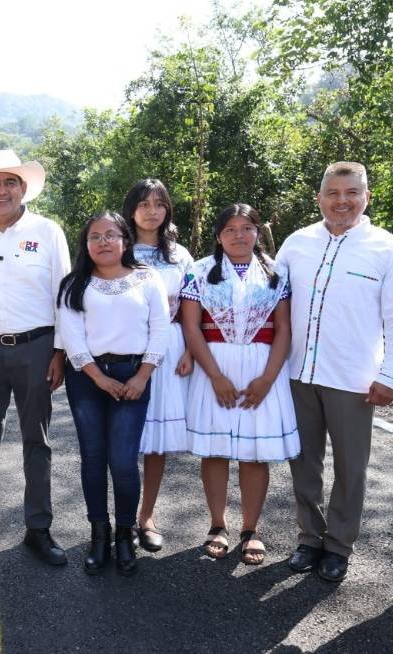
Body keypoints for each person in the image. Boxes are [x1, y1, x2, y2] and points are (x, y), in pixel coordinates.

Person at [277, 162, 393, 582]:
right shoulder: (296, 243)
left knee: (351, 467)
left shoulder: (385, 247)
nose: (342, 201)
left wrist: (390, 375)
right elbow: (272, 302)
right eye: (333, 193)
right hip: (299, 373)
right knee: (303, 462)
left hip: (354, 379)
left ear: (367, 197)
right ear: (319, 197)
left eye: (351, 193)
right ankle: (309, 537)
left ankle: (339, 546)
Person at [0, 149, 71, 564]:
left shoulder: (47, 230)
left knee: (36, 440)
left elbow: (64, 293)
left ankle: (38, 528)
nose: (1, 190)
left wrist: (61, 350)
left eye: (10, 182)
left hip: (37, 347)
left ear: (23, 188)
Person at [181, 204, 300, 566]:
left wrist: (267, 379)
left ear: (257, 232)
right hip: (214, 365)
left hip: (261, 366)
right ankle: (218, 525)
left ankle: (251, 529)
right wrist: (215, 376)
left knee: (254, 452)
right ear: (218, 235)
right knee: (216, 450)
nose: (238, 235)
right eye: (230, 228)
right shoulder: (199, 271)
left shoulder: (277, 272)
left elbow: (283, 329)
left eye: (246, 227)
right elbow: (191, 327)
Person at [57, 212, 169, 576]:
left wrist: (142, 376)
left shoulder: (146, 279)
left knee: (122, 461)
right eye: (94, 237)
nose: (102, 242)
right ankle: (98, 536)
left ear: (124, 240)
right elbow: (72, 336)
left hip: (135, 374)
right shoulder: (74, 284)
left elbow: (160, 329)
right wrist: (98, 378)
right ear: (85, 244)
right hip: (87, 378)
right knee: (93, 458)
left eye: (110, 235)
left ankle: (125, 535)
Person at [121, 179, 195, 552]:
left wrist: (191, 352)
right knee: (121, 439)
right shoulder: (116, 248)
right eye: (144, 203)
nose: (152, 211)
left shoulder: (180, 255)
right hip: (125, 350)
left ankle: (145, 517)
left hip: (169, 352)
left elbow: (194, 307)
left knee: (155, 444)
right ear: (130, 209)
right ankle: (119, 518)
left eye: (159, 204)